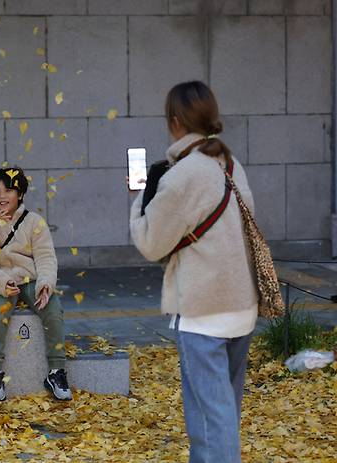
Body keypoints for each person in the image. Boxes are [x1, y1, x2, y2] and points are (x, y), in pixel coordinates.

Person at [130, 81, 258, 462]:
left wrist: (140, 200)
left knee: (209, 422)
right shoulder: (230, 164)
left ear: (174, 122)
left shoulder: (184, 175)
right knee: (224, 414)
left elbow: (151, 242)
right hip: (242, 306)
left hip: (204, 313)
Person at [0, 167, 72, 402]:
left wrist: (46, 284)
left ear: (20, 193)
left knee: (53, 309)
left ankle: (56, 371)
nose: (1, 196)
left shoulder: (34, 221)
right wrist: (1, 282)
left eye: (8, 190)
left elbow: (46, 256)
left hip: (31, 278)